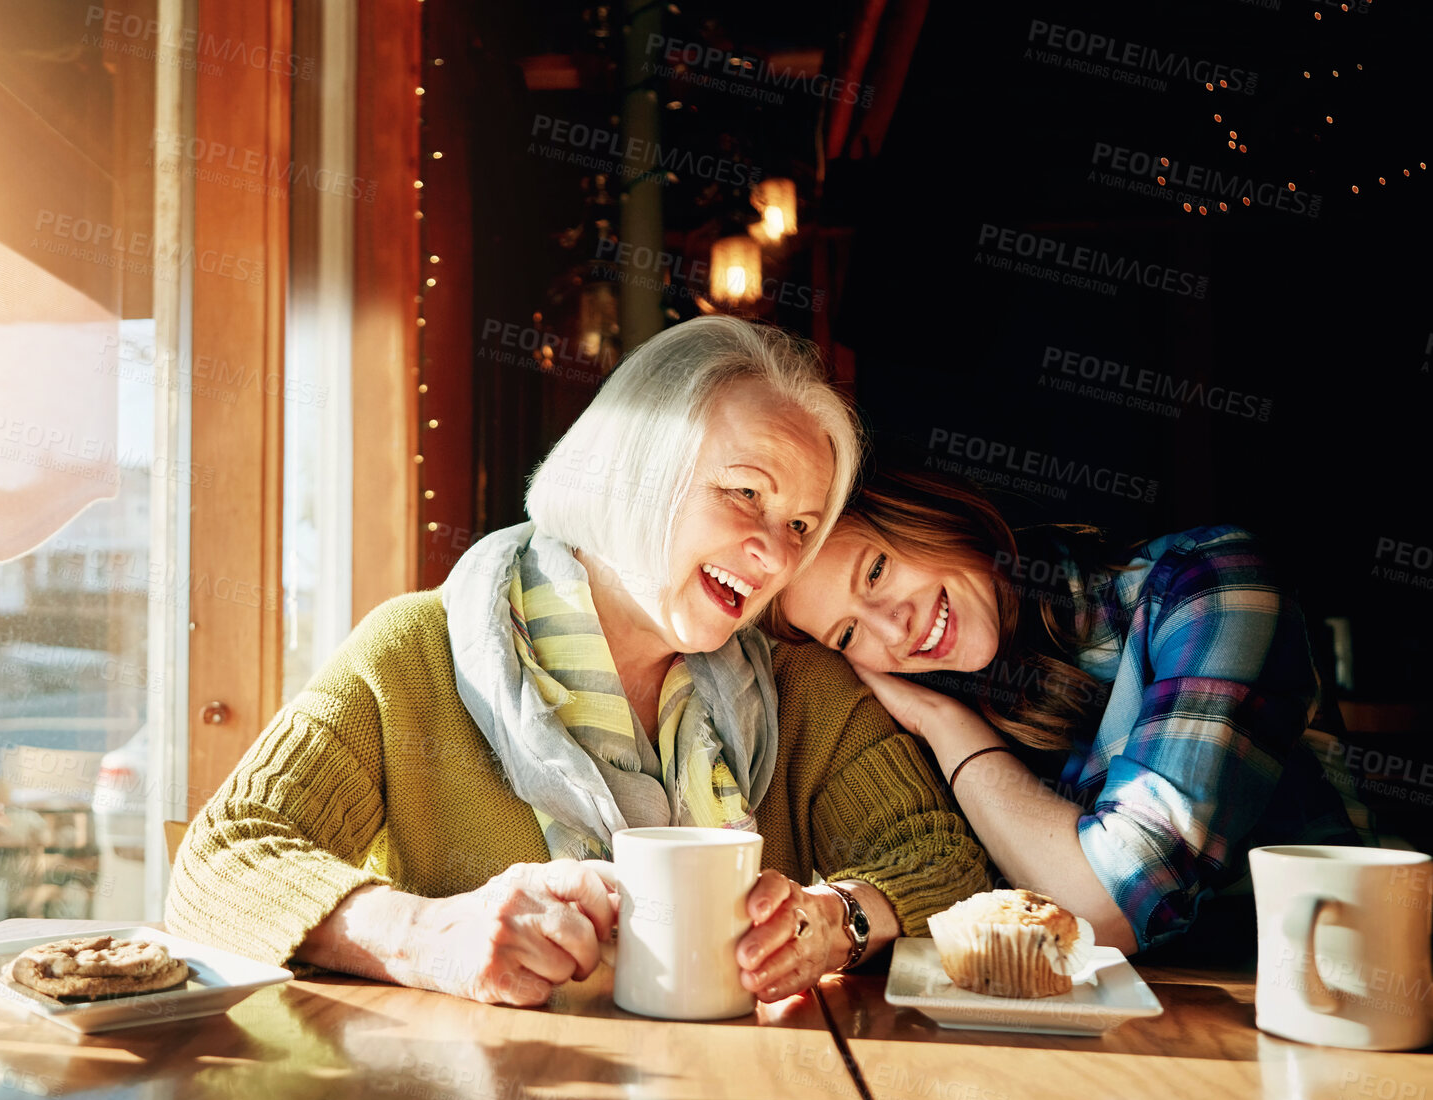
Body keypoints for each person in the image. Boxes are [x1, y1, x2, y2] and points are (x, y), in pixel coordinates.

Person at [167, 317, 989, 1006]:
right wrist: (428, 935)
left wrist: (840, 918)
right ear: (634, 469)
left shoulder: (798, 684)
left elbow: (943, 862)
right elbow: (222, 861)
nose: (774, 550)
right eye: (745, 492)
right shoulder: (412, 651)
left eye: (803, 527)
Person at [771, 465, 1367, 955]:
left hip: (1304, 999)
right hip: (1091, 1040)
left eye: (876, 569)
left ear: (931, 512)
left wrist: (952, 732)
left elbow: (1104, 912)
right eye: (848, 635)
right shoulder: (938, 695)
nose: (893, 627)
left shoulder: (1210, 585)